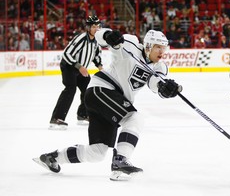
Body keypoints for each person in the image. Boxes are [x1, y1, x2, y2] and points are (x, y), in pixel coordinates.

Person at [33, 29, 181, 180]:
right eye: (158, 47)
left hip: (109, 103)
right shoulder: (130, 44)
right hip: (101, 90)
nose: (162, 51)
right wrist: (108, 35)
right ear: (148, 46)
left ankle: (53, 158)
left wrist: (165, 88)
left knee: (97, 152)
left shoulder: (159, 67)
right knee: (134, 118)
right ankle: (120, 161)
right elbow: (100, 38)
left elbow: (155, 83)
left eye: (164, 48)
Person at [49, 15, 103, 130]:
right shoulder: (81, 38)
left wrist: (100, 66)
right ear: (88, 27)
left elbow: (96, 55)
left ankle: (82, 115)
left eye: (98, 26)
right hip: (69, 66)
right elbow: (66, 54)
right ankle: (56, 118)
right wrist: (79, 66)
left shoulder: (96, 41)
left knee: (88, 89)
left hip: (81, 69)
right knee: (70, 89)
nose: (96, 29)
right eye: (94, 26)